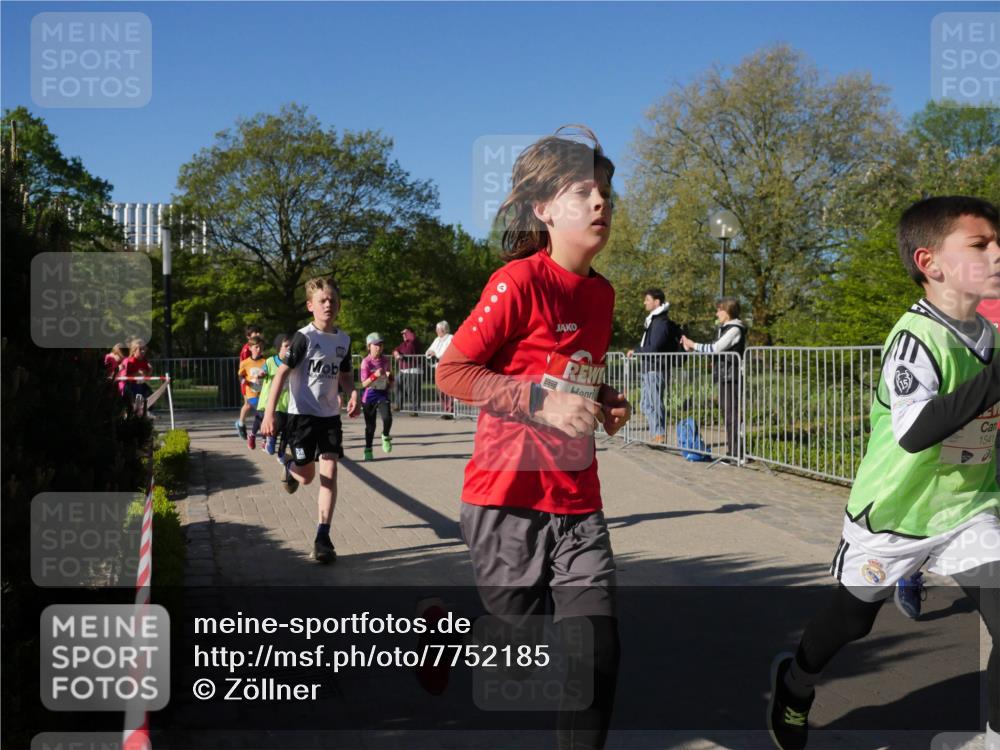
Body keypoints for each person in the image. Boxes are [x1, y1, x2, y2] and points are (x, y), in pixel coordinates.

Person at [767, 196, 1000, 750]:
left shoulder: (989, 335)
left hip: (966, 508)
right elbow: (916, 430)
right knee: (852, 621)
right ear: (931, 262)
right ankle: (796, 683)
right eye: (980, 244)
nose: (998, 254)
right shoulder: (914, 338)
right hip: (893, 513)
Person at [436, 125, 631, 749]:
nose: (600, 202)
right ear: (544, 209)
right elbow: (452, 372)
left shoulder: (602, 294)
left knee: (596, 657)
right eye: (583, 192)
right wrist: (541, 402)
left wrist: (602, 401)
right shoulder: (516, 281)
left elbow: (572, 372)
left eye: (605, 192)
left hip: (578, 500)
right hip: (506, 498)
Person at [260, 277, 359, 564]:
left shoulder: (344, 340)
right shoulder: (305, 337)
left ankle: (322, 537)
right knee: (307, 478)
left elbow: (345, 375)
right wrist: (268, 414)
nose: (328, 305)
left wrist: (352, 393)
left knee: (330, 471)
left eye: (333, 300)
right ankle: (288, 463)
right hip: (301, 417)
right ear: (310, 306)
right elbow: (280, 375)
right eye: (322, 300)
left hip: (329, 418)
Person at [680, 297, 747, 460]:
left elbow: (715, 348)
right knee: (728, 413)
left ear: (728, 311)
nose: (717, 313)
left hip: (732, 376)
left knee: (732, 414)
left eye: (719, 310)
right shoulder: (724, 328)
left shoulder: (735, 329)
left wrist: (692, 344)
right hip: (725, 375)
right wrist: (694, 349)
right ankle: (734, 452)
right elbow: (713, 349)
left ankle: (737, 453)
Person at [626, 288, 679, 444]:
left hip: (656, 367)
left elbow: (654, 347)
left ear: (657, 302)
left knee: (655, 402)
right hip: (648, 367)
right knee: (645, 403)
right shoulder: (653, 321)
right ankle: (656, 433)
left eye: (647, 299)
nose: (645, 302)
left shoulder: (660, 323)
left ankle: (659, 434)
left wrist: (636, 351)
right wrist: (637, 351)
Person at [251, 333, 292, 457]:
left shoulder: (294, 363)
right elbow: (263, 372)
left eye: (291, 346)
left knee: (288, 429)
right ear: (279, 347)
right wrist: (261, 375)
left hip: (288, 402)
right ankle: (270, 438)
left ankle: (281, 452)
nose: (289, 349)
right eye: (286, 346)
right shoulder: (270, 361)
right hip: (273, 402)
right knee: (277, 423)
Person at [360, 332, 394, 461]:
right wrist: (375, 375)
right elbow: (363, 383)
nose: (379, 347)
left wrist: (391, 378)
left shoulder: (386, 360)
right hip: (370, 395)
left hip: (382, 393)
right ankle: (368, 449)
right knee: (370, 426)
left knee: (387, 418)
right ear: (369, 346)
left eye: (381, 345)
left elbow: (391, 381)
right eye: (376, 345)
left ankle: (385, 435)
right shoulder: (366, 362)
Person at [237, 335, 267, 447]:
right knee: (262, 412)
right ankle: (264, 439)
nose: (259, 350)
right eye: (257, 347)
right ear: (250, 348)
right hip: (251, 394)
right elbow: (240, 375)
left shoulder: (266, 361)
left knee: (261, 415)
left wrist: (264, 376)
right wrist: (243, 380)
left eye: (261, 347)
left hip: (264, 393)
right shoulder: (245, 363)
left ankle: (253, 435)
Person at [425, 320, 454, 417]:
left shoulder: (451, 338)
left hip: (447, 367)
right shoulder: (437, 339)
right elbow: (428, 351)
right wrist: (430, 353)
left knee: (448, 388)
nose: (436, 331)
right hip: (438, 367)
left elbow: (448, 352)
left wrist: (436, 354)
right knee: (440, 389)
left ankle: (450, 411)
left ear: (443, 329)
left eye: (438, 329)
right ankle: (445, 409)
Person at [393, 327, 422, 412]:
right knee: (397, 385)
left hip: (414, 370)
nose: (404, 335)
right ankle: (398, 405)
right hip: (403, 370)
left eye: (405, 333)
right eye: (403, 334)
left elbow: (412, 341)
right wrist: (396, 353)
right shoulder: (403, 344)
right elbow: (396, 349)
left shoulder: (414, 342)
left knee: (413, 390)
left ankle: (415, 409)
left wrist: (408, 332)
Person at [119, 338, 153, 412]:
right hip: (127, 386)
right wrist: (136, 374)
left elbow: (146, 377)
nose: (143, 351)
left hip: (139, 384)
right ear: (134, 350)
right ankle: (135, 411)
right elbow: (123, 378)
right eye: (140, 349)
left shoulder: (144, 361)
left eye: (144, 349)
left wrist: (149, 371)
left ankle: (146, 411)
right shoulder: (128, 361)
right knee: (137, 389)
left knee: (149, 392)